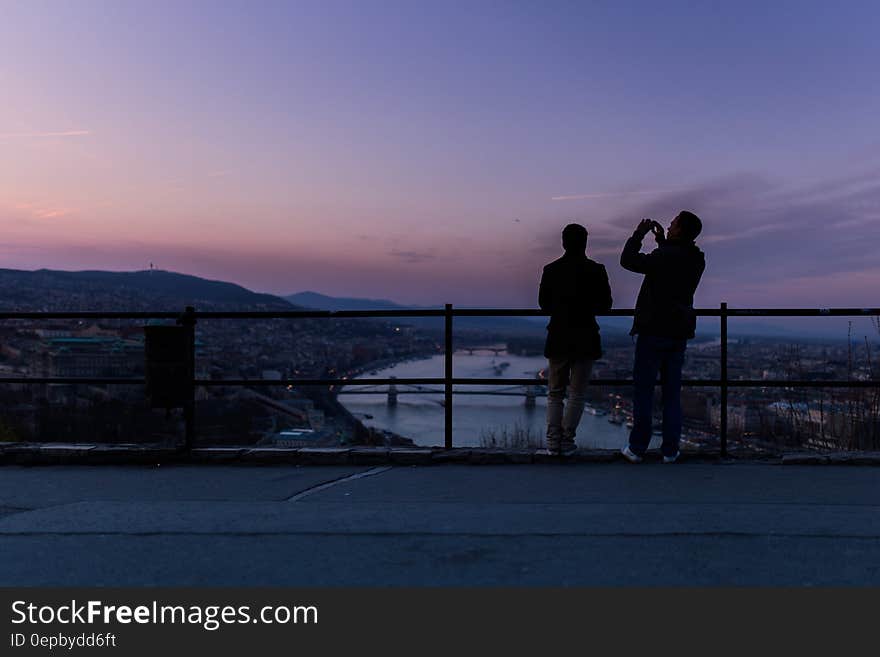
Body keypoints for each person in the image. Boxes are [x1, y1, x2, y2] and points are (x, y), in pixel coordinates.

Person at [619, 211, 705, 463]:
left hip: (653, 330)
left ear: (679, 230)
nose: (668, 225)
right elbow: (674, 259)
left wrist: (639, 234)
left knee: (644, 392)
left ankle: (637, 448)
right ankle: (670, 449)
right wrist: (662, 241)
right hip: (678, 332)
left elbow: (628, 261)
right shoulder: (696, 259)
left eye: (673, 223)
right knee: (671, 394)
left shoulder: (664, 256)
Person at [539, 223, 612, 455]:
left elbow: (544, 305)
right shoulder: (597, 270)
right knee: (577, 393)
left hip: (559, 335)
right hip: (586, 336)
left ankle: (552, 441)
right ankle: (568, 441)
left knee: (555, 392)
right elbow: (606, 305)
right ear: (585, 243)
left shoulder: (551, 270)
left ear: (563, 242)